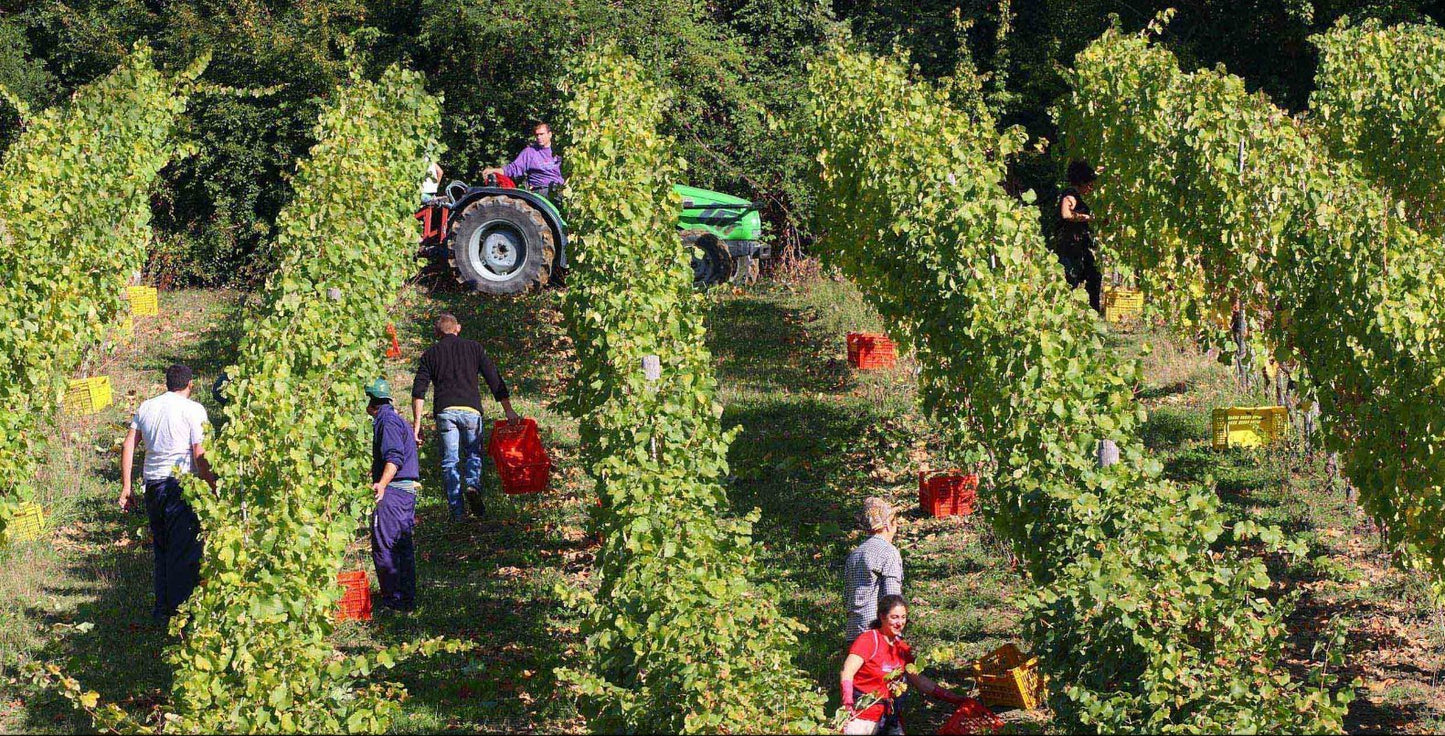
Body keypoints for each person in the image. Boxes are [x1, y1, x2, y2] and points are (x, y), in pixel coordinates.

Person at [119, 364, 215, 623]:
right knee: (184, 551)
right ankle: (181, 615)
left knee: (162, 548)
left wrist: (127, 487)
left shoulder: (147, 407)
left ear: (167, 383)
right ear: (190, 384)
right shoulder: (194, 410)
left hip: (153, 487)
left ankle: (162, 610)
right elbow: (199, 454)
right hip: (181, 487)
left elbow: (129, 445)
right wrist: (213, 486)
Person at [411, 313, 520, 521]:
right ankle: (472, 485)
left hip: (445, 411)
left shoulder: (430, 354)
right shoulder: (474, 348)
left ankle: (457, 512)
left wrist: (417, 426)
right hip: (471, 410)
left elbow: (419, 391)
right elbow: (494, 378)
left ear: (437, 333)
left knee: (450, 460)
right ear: (458, 328)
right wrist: (508, 410)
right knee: (473, 454)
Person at [840, 595, 968, 735]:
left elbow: (919, 680)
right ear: (882, 617)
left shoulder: (902, 648)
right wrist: (848, 701)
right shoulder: (869, 640)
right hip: (862, 716)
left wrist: (954, 698)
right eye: (894, 617)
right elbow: (847, 671)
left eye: (903, 617)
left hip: (889, 717)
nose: (900, 622)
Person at [366, 378, 421, 612]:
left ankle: (393, 600)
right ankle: (406, 599)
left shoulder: (386, 422)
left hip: (394, 492)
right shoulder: (397, 420)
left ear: (371, 404)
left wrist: (382, 484)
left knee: (385, 546)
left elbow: (394, 457)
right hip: (405, 493)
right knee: (402, 545)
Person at [844, 498, 904, 645]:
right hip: (876, 636)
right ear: (889, 525)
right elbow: (892, 597)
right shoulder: (889, 552)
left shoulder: (855, 554)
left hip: (853, 632)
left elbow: (847, 595)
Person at [1054, 160, 1103, 313]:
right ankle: (1065, 313)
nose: (1091, 188)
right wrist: (1087, 218)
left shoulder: (1074, 194)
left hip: (1079, 245)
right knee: (1071, 279)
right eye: (1089, 184)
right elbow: (1066, 214)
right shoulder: (1070, 195)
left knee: (1093, 275)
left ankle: (1092, 312)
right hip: (1069, 246)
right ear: (1081, 182)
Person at [483, 120, 565, 200]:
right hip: (540, 192)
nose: (539, 137)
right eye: (537, 135)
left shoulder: (560, 151)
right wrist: (494, 170)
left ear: (549, 134)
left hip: (558, 191)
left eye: (542, 134)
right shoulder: (530, 152)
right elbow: (513, 168)